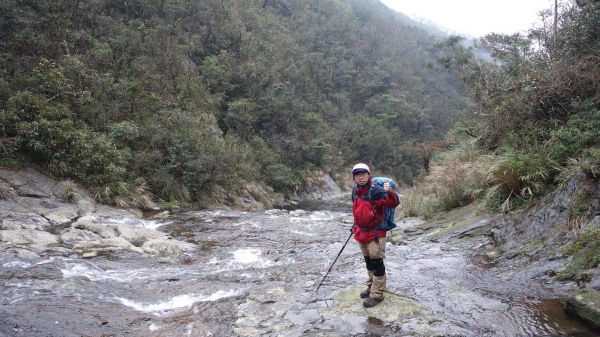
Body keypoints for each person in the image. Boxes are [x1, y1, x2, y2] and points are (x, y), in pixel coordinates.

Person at [350, 163, 400, 307]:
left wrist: (390, 192)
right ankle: (371, 286)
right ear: (354, 177)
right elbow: (357, 209)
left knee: (377, 264)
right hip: (361, 232)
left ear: (369, 175)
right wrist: (355, 224)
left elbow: (392, 204)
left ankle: (377, 295)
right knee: (368, 262)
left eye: (363, 174)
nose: (361, 177)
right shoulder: (355, 191)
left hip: (376, 234)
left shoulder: (376, 191)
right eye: (357, 174)